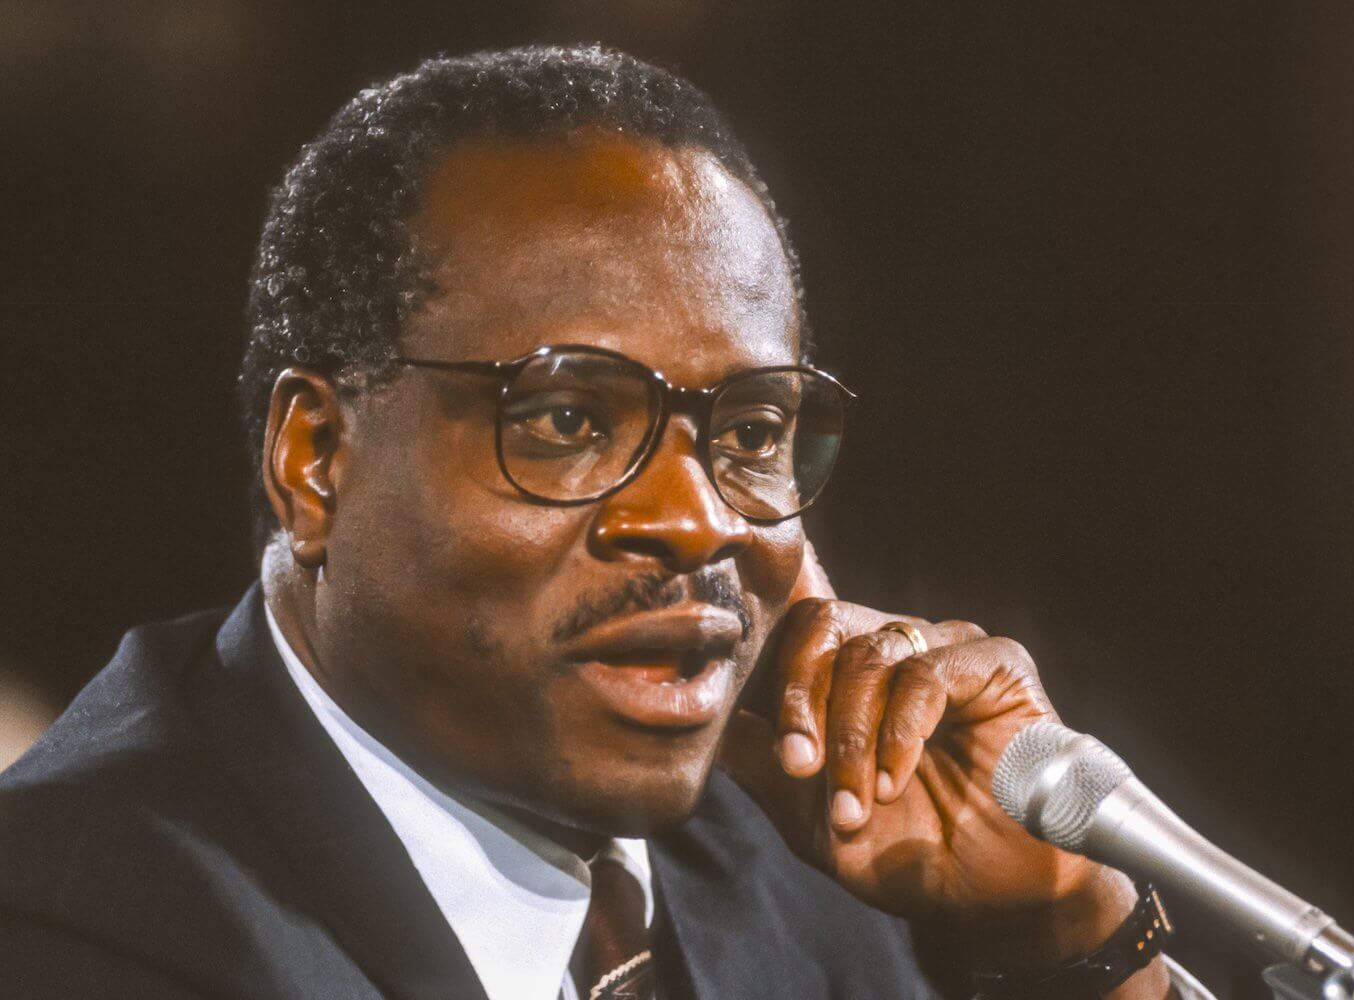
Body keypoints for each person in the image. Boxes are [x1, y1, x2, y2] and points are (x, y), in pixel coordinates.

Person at [0, 45, 1211, 999]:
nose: (695, 521)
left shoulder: (821, 868)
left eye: (750, 432)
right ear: (316, 460)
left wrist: (1070, 932)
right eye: (569, 418)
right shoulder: (76, 926)